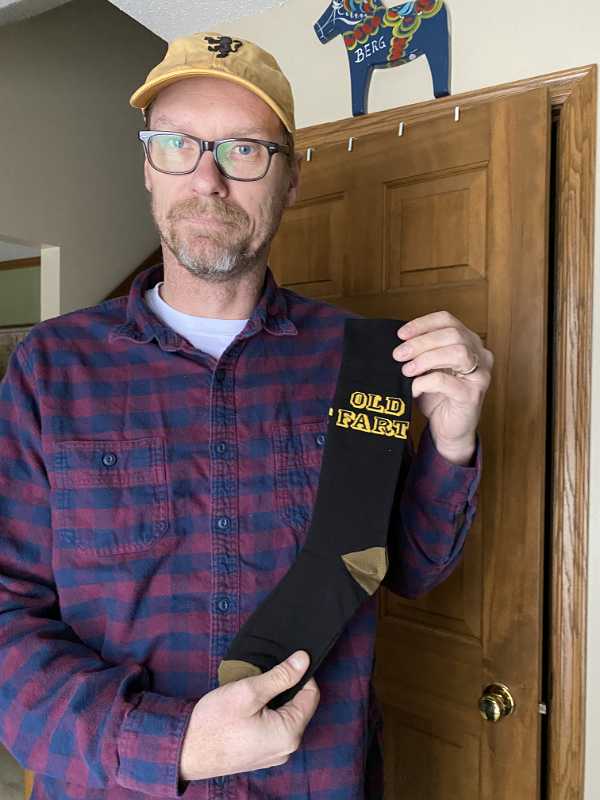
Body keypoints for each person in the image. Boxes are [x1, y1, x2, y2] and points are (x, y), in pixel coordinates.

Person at [0, 32, 492, 800]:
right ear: (147, 166)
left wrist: (452, 444)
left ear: (290, 179)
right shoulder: (51, 369)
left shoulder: (362, 362)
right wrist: (171, 745)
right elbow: (7, 621)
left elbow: (407, 566)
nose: (208, 179)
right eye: (177, 144)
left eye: (244, 150)